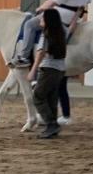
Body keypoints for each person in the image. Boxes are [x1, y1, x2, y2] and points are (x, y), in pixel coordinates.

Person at [12, 0, 91, 67]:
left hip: (61, 16)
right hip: (75, 17)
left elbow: (51, 2)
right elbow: (88, 0)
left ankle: (24, 57)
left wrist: (38, 9)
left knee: (29, 24)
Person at [27, 9, 69, 139]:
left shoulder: (45, 35)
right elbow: (70, 28)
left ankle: (51, 124)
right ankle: (53, 127)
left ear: (48, 20)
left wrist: (33, 70)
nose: (40, 20)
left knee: (38, 97)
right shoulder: (61, 32)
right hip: (60, 70)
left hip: (48, 69)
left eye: (42, 18)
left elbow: (40, 53)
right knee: (51, 98)